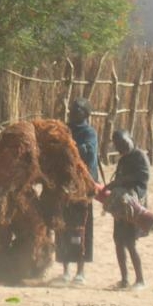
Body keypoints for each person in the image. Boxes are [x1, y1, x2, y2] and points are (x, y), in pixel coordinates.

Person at [56, 97, 98, 285]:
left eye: (77, 110)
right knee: (62, 226)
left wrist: (69, 146)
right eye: (72, 109)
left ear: (85, 114)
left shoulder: (89, 133)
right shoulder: (63, 130)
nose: (73, 112)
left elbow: (88, 155)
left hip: (82, 186)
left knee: (81, 227)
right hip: (64, 183)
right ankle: (65, 269)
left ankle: (80, 270)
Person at [107, 129, 150, 290]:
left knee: (130, 243)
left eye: (124, 143)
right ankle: (124, 279)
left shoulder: (140, 156)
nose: (121, 148)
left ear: (131, 139)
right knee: (118, 241)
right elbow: (118, 179)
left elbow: (144, 178)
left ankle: (140, 280)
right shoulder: (123, 160)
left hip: (134, 206)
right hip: (121, 207)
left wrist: (121, 183)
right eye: (118, 146)